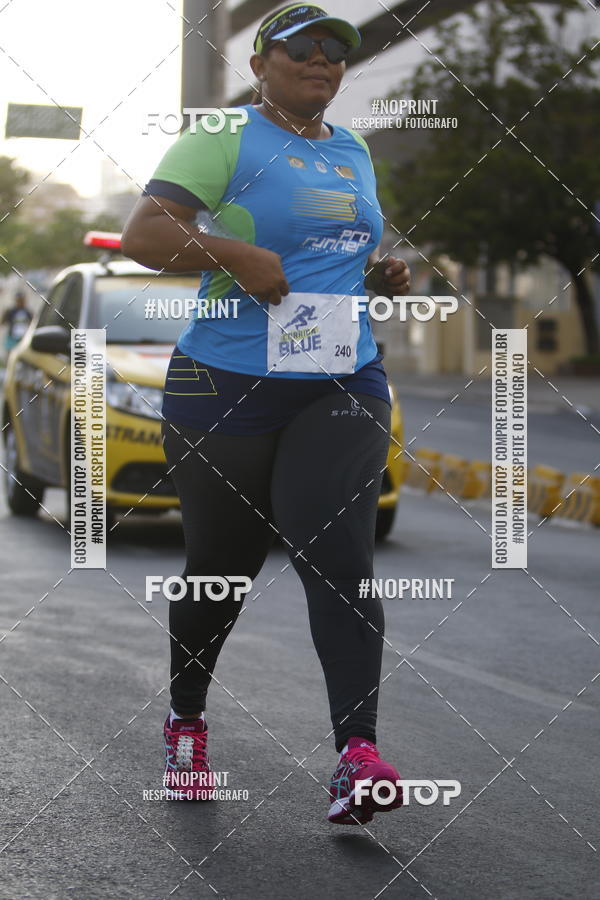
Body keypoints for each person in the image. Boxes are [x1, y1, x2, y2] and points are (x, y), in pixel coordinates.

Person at [122, 2, 411, 824]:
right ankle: (186, 719)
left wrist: (376, 275)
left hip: (338, 375)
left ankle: (357, 756)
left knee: (337, 550)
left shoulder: (353, 150)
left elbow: (335, 254)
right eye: (303, 49)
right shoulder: (223, 136)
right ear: (262, 63)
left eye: (336, 53)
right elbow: (146, 234)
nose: (323, 62)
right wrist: (236, 255)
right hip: (226, 381)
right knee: (224, 566)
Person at [2, 291, 32, 358]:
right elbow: (3, 322)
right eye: (19, 300)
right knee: (10, 357)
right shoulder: (11, 311)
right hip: (11, 338)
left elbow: (32, 324)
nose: (20, 302)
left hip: (22, 339)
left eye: (22, 300)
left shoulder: (28, 312)